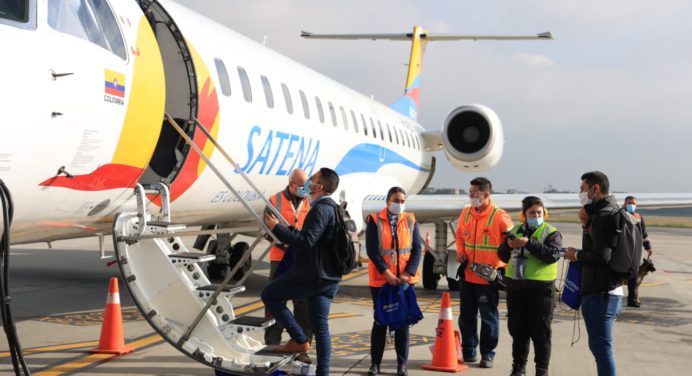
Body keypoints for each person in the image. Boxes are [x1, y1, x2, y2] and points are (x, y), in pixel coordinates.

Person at [261, 168, 342, 376]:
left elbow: (307, 241)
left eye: (312, 179)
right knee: (321, 328)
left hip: (312, 276)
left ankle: (299, 340)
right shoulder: (333, 208)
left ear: (319, 186)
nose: (309, 182)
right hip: (327, 277)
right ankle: (322, 371)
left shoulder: (320, 208)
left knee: (269, 295)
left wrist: (278, 228)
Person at [565, 171, 623, 376]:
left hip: (600, 294)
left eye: (582, 189)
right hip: (610, 291)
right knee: (601, 349)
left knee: (602, 350)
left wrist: (576, 255)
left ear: (595, 189)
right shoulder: (608, 212)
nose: (580, 193)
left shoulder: (603, 216)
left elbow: (602, 256)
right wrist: (586, 224)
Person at [498, 196, 563, 376]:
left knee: (541, 332)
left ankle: (542, 370)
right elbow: (502, 256)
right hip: (516, 288)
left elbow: (552, 255)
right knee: (518, 331)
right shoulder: (516, 229)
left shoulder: (551, 233)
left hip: (541, 290)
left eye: (539, 212)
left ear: (544, 213)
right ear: (524, 215)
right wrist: (509, 246)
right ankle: (518, 367)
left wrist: (530, 243)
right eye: (532, 212)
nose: (536, 215)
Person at [455, 177, 513, 369]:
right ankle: (469, 350)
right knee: (466, 316)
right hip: (468, 276)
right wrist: (460, 251)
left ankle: (488, 354)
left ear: (486, 195)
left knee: (488, 318)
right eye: (470, 192)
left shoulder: (500, 216)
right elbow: (460, 234)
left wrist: (503, 270)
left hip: (488, 279)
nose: (470, 195)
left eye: (474, 193)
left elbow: (511, 244)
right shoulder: (466, 212)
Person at [365, 187, 422, 376]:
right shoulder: (374, 221)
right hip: (382, 281)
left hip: (404, 281)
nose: (400, 204)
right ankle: (375, 364)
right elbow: (372, 250)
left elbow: (416, 250)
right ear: (388, 201)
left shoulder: (411, 220)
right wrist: (387, 272)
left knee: (402, 323)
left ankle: (401, 365)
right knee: (380, 321)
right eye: (396, 200)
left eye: (402, 201)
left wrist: (408, 273)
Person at [263, 169, 313, 363]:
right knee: (275, 301)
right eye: (301, 186)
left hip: (302, 258)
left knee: (303, 304)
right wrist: (286, 242)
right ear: (291, 184)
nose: (304, 190)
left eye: (306, 186)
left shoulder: (310, 201)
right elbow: (266, 229)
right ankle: (272, 344)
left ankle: (301, 346)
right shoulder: (274, 200)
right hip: (280, 257)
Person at [623, 195, 654, 308]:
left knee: (633, 277)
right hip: (622, 251)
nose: (631, 205)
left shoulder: (639, 217)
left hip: (635, 252)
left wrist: (648, 247)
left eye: (633, 203)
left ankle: (632, 300)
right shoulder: (620, 215)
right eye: (629, 203)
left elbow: (644, 235)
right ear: (625, 204)